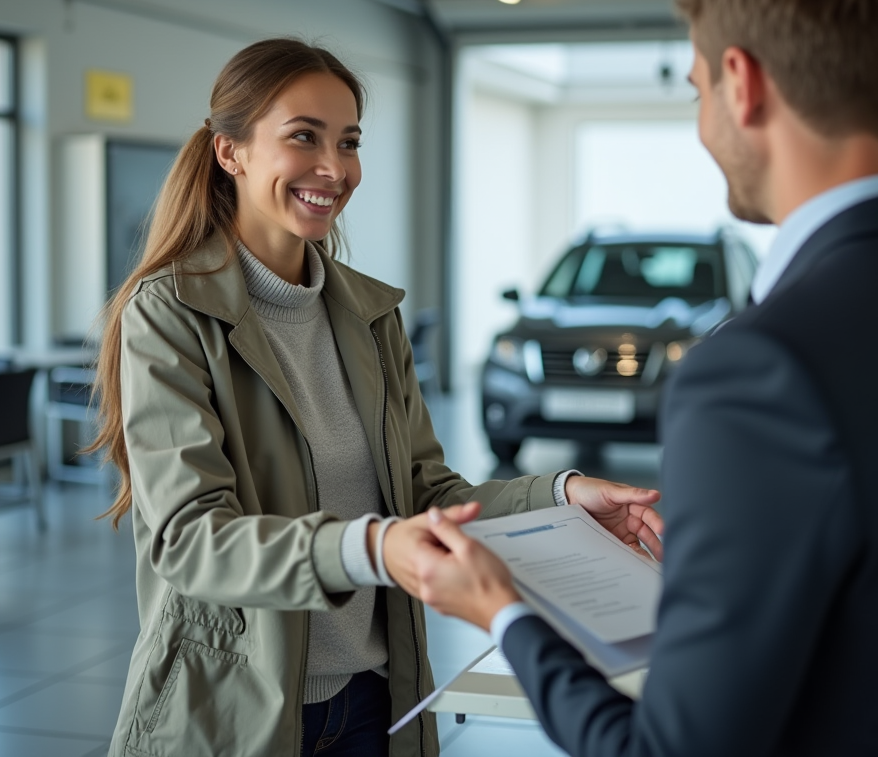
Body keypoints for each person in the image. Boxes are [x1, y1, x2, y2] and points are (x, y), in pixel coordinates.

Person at [406, 0, 878, 755]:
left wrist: (504, 611)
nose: (702, 125)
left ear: (741, 82)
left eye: (697, 91)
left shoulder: (756, 370)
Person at [89, 38, 664, 757]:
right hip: (235, 706)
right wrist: (372, 546)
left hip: (372, 700)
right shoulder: (169, 312)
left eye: (349, 142)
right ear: (230, 152)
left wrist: (561, 499)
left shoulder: (369, 315)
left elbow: (426, 494)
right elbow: (191, 539)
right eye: (304, 137)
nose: (335, 169)